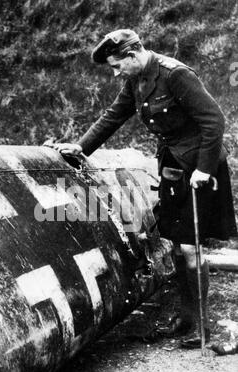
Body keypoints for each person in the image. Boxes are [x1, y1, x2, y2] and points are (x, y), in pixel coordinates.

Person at [45, 29, 237, 349]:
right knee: (177, 245)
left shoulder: (175, 75)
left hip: (200, 170)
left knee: (191, 248)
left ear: (133, 56)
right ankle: (187, 318)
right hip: (174, 169)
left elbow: (214, 120)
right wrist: (80, 148)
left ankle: (202, 328)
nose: (116, 72)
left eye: (118, 66)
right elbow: (113, 117)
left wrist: (203, 169)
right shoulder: (136, 79)